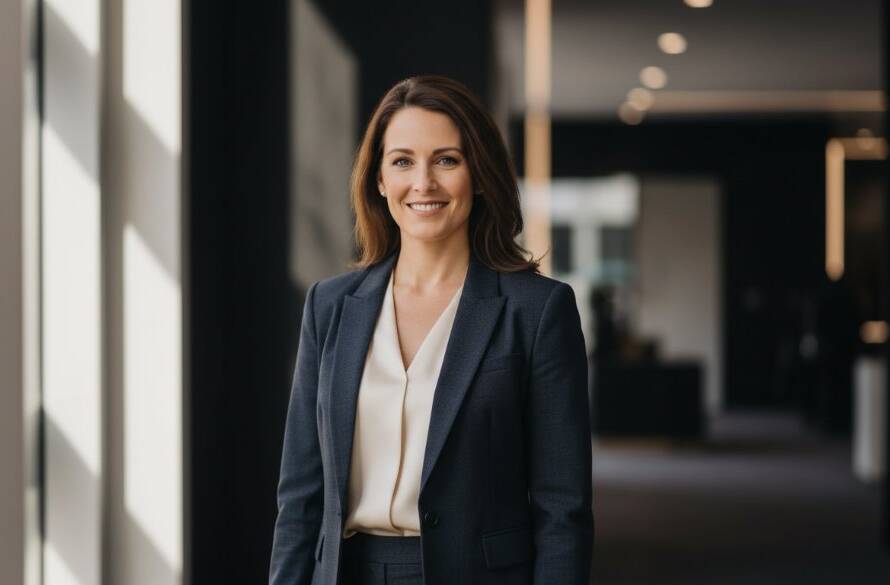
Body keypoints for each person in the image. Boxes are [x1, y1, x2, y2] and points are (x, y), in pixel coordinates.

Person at [269, 75, 593, 585]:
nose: (424, 183)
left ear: (480, 175)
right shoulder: (329, 307)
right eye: (402, 161)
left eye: (447, 160)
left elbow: (563, 507)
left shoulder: (537, 311)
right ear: (378, 179)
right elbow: (300, 497)